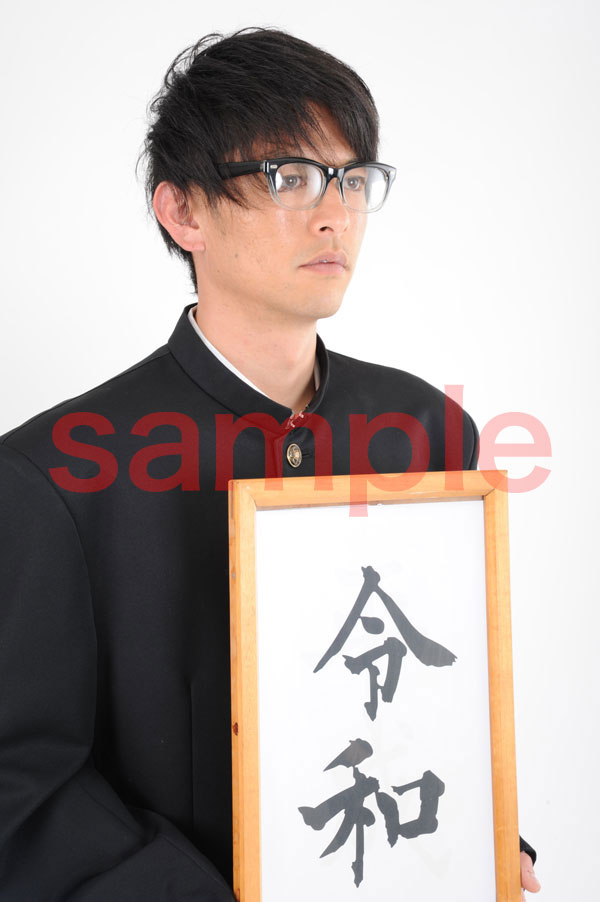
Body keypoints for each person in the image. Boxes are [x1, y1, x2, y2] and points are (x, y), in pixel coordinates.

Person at [0, 27, 540, 901]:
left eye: (353, 179)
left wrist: (482, 835)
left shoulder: (428, 430)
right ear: (184, 212)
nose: (335, 215)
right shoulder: (52, 476)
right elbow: (23, 785)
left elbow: (438, 697)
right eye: (291, 177)